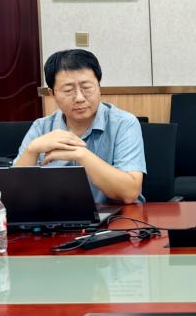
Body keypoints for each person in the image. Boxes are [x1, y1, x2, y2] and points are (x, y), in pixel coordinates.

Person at [14, 49, 145, 204]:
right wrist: (32, 150)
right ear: (52, 93)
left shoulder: (124, 123)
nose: (79, 98)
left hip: (118, 216)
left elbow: (129, 193)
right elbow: (14, 193)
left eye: (87, 87)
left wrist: (82, 155)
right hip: (56, 215)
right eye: (68, 90)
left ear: (99, 86)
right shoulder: (41, 128)